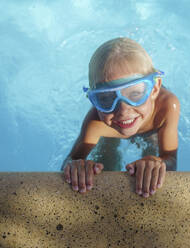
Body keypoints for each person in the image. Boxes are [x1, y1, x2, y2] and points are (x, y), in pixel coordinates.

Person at [61, 37, 180, 198]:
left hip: (152, 127)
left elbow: (170, 158)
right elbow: (71, 159)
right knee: (104, 162)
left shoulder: (167, 107)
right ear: (95, 101)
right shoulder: (96, 123)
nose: (123, 111)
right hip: (111, 130)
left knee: (152, 165)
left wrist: (159, 162)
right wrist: (77, 167)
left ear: (154, 89)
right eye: (106, 98)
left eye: (135, 94)